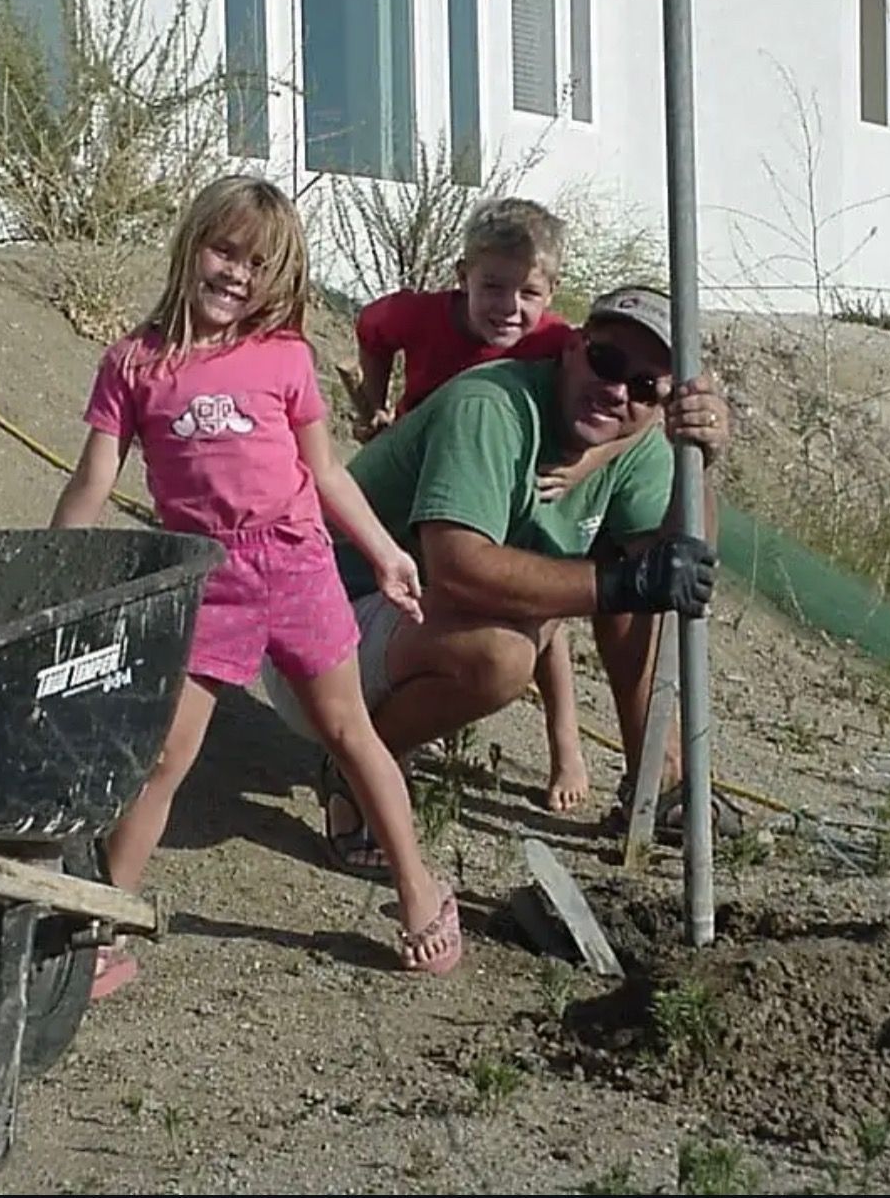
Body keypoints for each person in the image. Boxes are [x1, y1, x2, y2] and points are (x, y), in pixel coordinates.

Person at [50, 175, 462, 996]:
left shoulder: (283, 357)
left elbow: (327, 472)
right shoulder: (134, 362)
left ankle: (419, 891)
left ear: (277, 278)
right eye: (224, 249)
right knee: (166, 752)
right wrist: (55, 566)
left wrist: (383, 554)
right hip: (205, 578)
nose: (236, 273)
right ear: (192, 245)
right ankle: (102, 924)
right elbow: (95, 474)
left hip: (297, 561)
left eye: (257, 262)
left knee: (348, 732)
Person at [262, 284, 737, 872]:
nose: (617, 391)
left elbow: (685, 573)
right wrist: (622, 581)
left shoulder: (635, 444)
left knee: (646, 580)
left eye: (644, 387)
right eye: (606, 361)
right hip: (314, 645)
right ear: (573, 348)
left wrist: (702, 466)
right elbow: (459, 568)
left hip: (405, 629)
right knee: (504, 653)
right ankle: (360, 766)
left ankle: (657, 778)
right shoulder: (490, 405)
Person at [347, 197, 622, 821]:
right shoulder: (420, 315)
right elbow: (372, 331)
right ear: (461, 274)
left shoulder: (557, 341)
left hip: (499, 480)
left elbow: (631, 405)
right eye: (493, 286)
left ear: (551, 292)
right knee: (418, 594)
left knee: (538, 598)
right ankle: (395, 724)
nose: (510, 307)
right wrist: (375, 401)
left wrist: (587, 464)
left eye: (529, 292)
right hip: (423, 475)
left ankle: (566, 743)